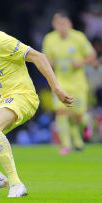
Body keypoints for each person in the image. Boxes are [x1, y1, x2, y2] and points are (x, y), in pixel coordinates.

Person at [0, 5, 73, 198]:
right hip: (6, 99)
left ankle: (16, 184)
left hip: (24, 96)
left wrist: (56, 89)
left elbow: (39, 57)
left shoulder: (2, 40)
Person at [42, 10, 97, 155]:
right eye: (58, 24)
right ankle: (66, 145)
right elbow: (46, 58)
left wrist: (80, 63)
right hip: (61, 83)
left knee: (77, 115)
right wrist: (49, 62)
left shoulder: (78, 37)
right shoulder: (50, 39)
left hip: (78, 83)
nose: (61, 27)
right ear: (54, 25)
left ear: (69, 24)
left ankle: (85, 128)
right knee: (62, 112)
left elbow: (92, 55)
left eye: (63, 23)